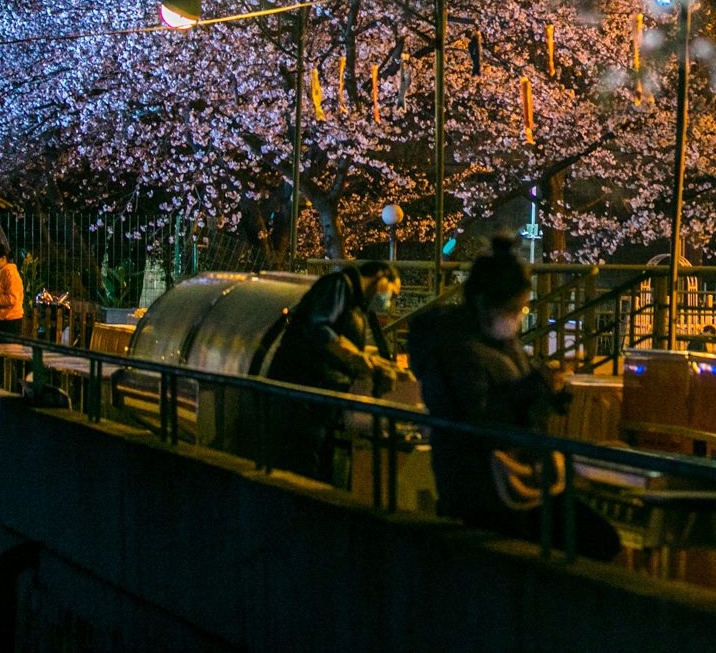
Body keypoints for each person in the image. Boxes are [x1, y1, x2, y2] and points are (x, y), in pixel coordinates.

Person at [407, 237, 622, 561]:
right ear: (484, 302)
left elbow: (513, 395)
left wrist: (552, 392)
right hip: (481, 485)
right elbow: (475, 419)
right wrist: (534, 387)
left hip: (518, 476)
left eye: (522, 308)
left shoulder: (500, 340)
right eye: (514, 309)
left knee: (598, 539)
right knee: (589, 542)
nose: (518, 317)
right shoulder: (455, 348)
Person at [266, 261, 409, 481]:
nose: (390, 300)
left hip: (320, 396)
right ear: (381, 276)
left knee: (320, 463)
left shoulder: (355, 303)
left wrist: (382, 365)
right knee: (306, 464)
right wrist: (364, 363)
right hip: (305, 390)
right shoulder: (339, 286)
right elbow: (320, 328)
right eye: (393, 292)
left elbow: (345, 341)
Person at [0, 243, 26, 337]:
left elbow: (12, 298)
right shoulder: (0, 273)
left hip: (10, 320)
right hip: (2, 318)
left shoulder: (10, 274)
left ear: (3, 259)